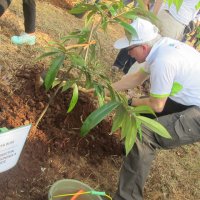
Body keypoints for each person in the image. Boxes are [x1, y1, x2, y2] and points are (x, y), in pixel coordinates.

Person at [111, 17, 200, 200]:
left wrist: (128, 102)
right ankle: (129, 152)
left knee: (143, 134)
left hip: (197, 111)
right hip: (189, 99)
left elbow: (156, 105)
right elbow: (136, 78)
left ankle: (127, 197)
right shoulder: (161, 47)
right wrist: (109, 88)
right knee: (137, 111)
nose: (129, 54)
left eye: (130, 49)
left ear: (143, 47)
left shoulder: (163, 61)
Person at [112, 0, 200, 74]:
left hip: (166, 14)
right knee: (150, 49)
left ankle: (127, 71)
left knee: (144, 43)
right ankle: (124, 70)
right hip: (174, 20)